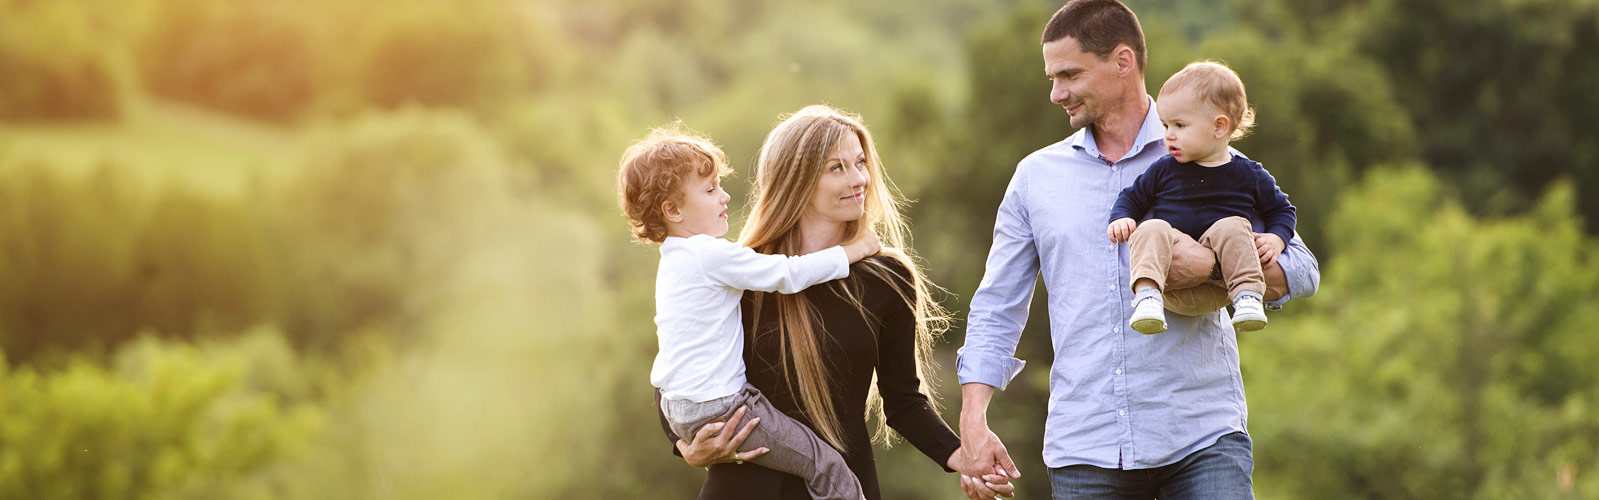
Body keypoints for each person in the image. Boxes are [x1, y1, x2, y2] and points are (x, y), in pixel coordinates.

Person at [953, 1, 1321, 499]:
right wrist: (973, 418)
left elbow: (1302, 269)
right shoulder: (1035, 178)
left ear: (1123, 62)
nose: (1056, 93)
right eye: (1052, 77)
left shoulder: (1213, 156)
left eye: (1069, 74)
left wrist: (1213, 268)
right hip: (1085, 447)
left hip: (1201, 437)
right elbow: (998, 304)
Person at [660, 105, 1015, 500]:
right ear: (796, 180)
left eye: (860, 163)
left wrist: (964, 456)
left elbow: (903, 402)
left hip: (845, 484)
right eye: (837, 168)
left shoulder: (886, 277)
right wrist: (687, 447)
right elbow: (678, 367)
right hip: (744, 487)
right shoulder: (744, 270)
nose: (859, 178)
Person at [616, 124, 884, 500]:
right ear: (672, 209)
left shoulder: (673, 262)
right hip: (723, 407)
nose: (725, 197)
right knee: (826, 464)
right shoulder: (711, 255)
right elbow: (789, 273)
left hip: (681, 409)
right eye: (710, 190)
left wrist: (681, 440)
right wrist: (853, 251)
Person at [1106, 60, 1295, 334]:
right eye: (1165, 125)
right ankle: (1146, 297)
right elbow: (1131, 197)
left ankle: (1248, 298)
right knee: (1152, 227)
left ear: (1219, 127)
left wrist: (1277, 239)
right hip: (1171, 283)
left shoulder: (1249, 174)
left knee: (1232, 226)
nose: (1168, 136)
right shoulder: (1164, 169)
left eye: (1180, 125)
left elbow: (1282, 210)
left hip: (1223, 289)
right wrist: (1121, 217)